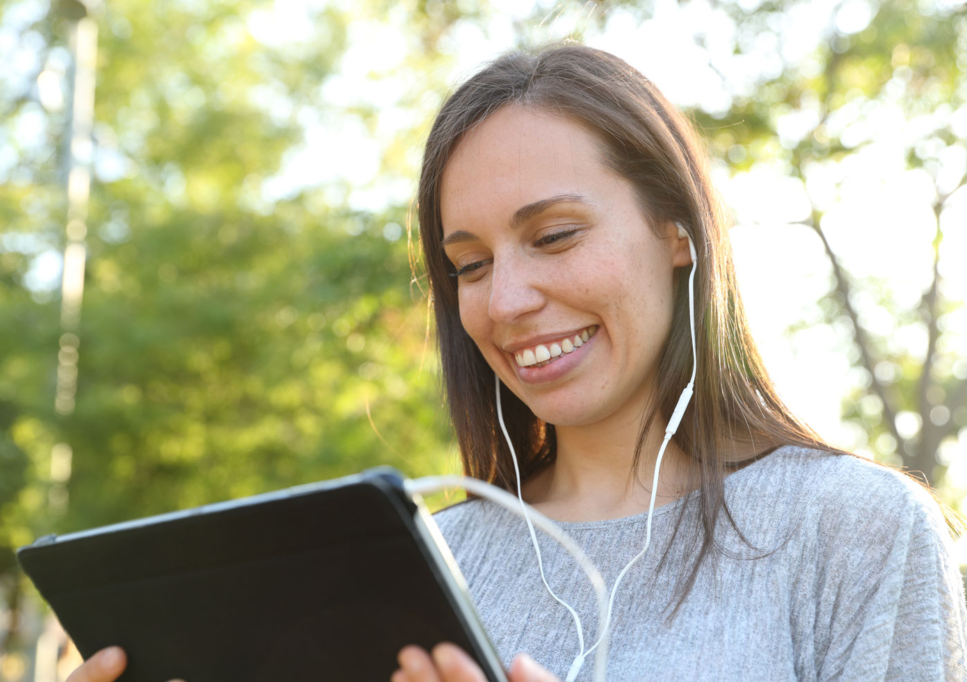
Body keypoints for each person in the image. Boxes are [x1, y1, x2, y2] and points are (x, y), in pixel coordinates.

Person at [68, 43, 967, 682]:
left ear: (677, 233)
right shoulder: (427, 561)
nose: (503, 303)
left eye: (555, 236)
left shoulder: (857, 532)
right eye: (470, 264)